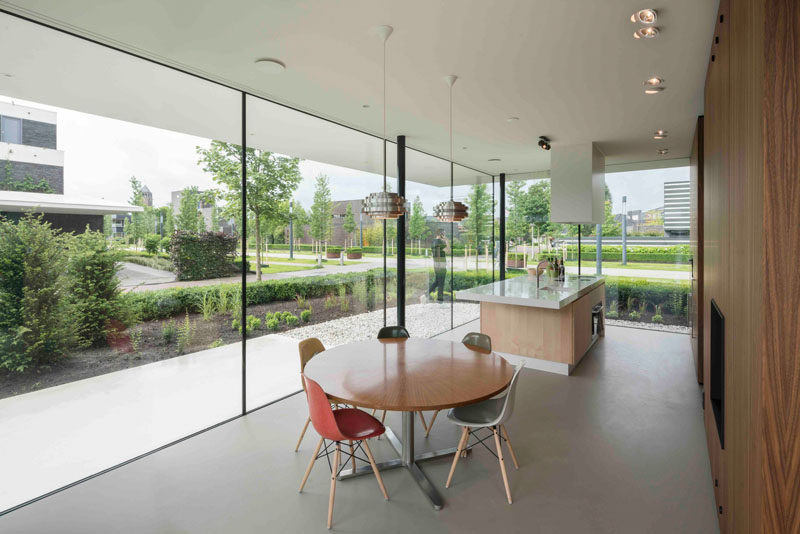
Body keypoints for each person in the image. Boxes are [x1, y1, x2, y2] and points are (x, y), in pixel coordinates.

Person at [428, 229, 448, 302]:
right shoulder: (440, 242)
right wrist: (446, 241)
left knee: (437, 282)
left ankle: (425, 294)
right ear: (441, 234)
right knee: (441, 282)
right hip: (441, 264)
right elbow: (448, 251)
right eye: (444, 234)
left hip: (436, 264)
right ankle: (440, 300)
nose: (445, 235)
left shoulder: (433, 242)